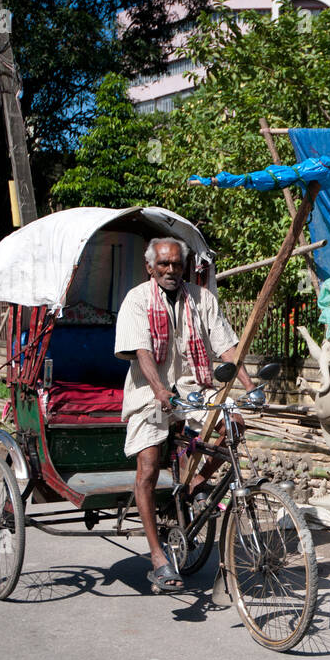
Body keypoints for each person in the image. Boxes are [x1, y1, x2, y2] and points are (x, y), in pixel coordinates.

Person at [114, 236, 260, 592]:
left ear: (185, 266)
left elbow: (227, 346)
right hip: (150, 393)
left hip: (194, 387)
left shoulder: (201, 299)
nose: (170, 270)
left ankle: (195, 483)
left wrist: (249, 385)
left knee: (234, 425)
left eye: (176, 264)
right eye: (163, 264)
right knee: (147, 467)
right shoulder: (136, 300)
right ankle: (158, 556)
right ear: (150, 267)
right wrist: (160, 391)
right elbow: (143, 352)